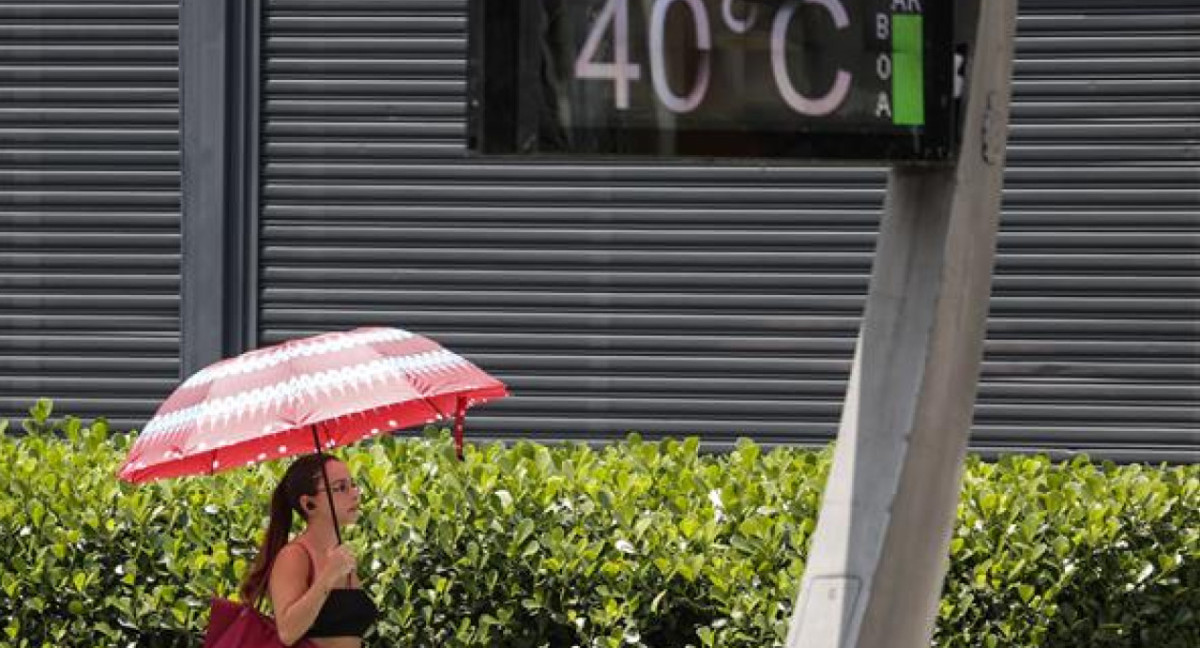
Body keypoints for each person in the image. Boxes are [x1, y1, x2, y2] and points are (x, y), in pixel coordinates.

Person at [239, 453, 379, 647]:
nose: (355, 493)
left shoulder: (342, 558)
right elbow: (288, 631)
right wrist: (328, 576)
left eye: (353, 484)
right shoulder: (295, 555)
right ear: (309, 504)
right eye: (341, 488)